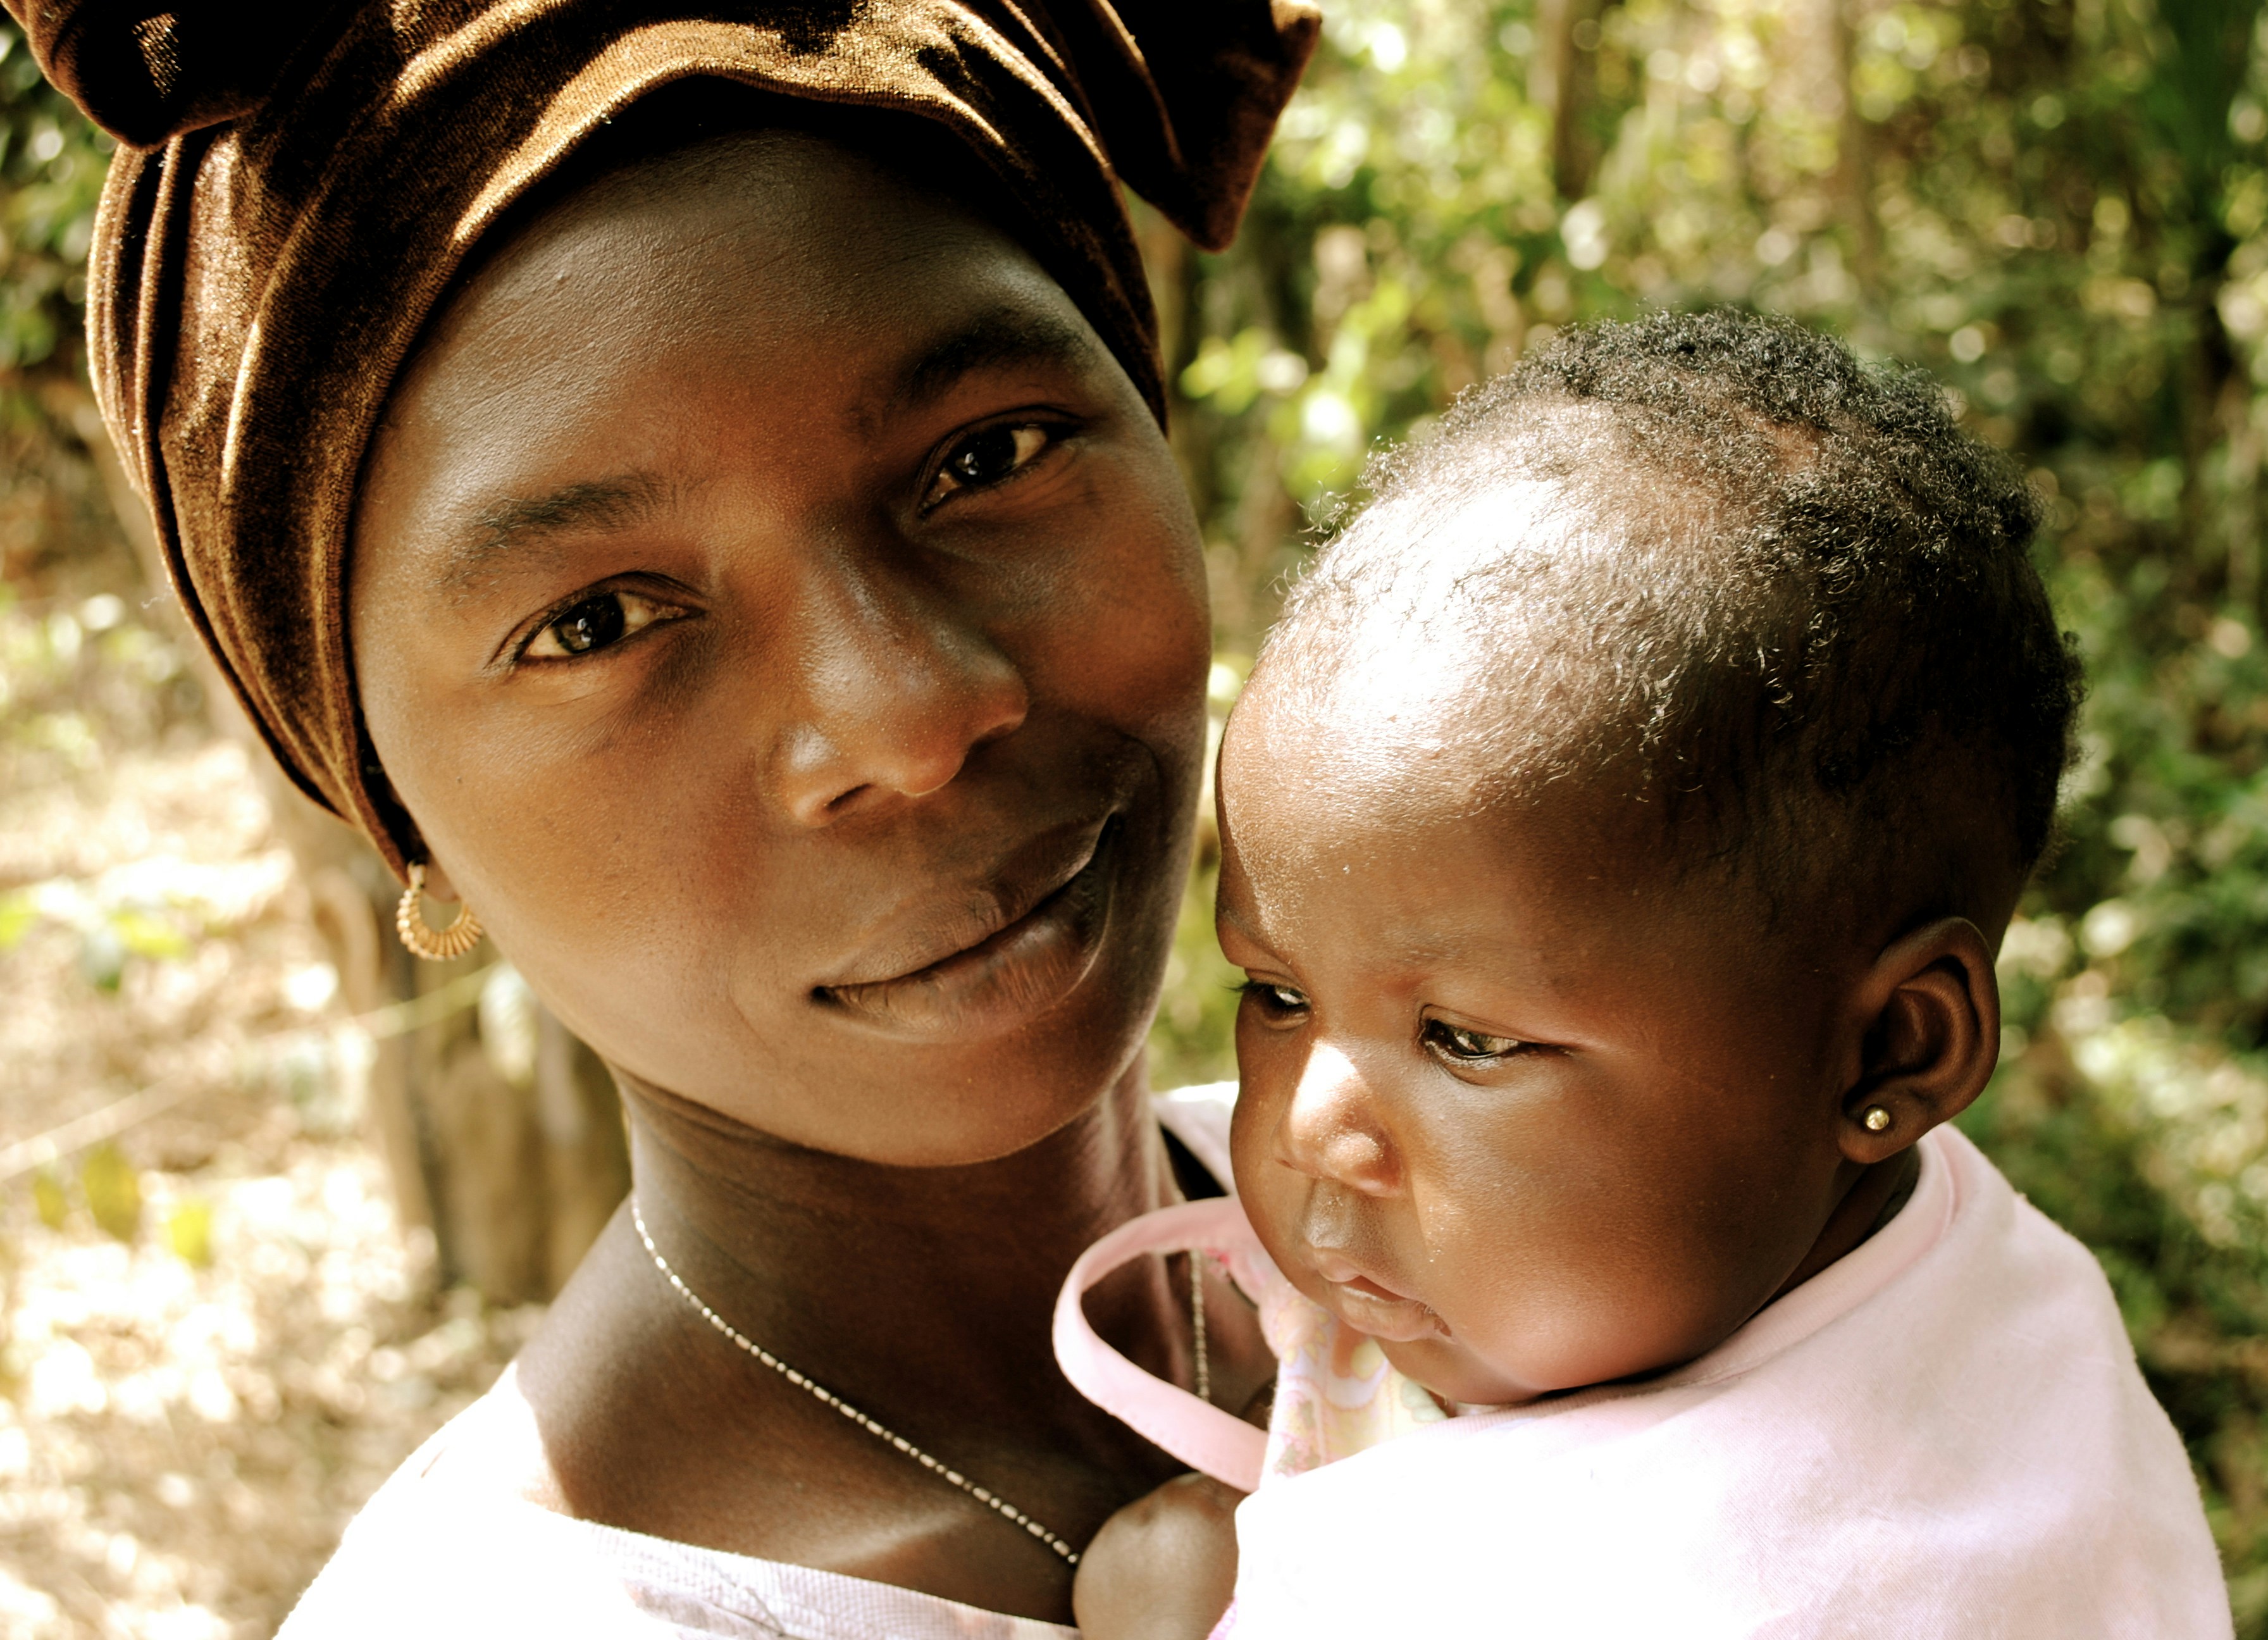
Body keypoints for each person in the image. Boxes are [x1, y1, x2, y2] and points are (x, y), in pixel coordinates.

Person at [10, 1, 1318, 1633]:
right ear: (394, 811)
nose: (907, 717)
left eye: (989, 457)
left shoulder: (1540, 1209)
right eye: (596, 622)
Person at [1058, 313, 2236, 1638]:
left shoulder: (1675, 1593)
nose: (1308, 1129)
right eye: (1279, 998)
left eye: (1465, 1040)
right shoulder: (1969, 1276)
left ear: (1893, 1052)